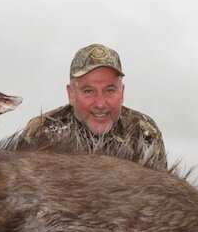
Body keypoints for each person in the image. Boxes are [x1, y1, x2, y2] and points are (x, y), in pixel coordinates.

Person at [13, 43, 167, 170]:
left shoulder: (144, 132)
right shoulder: (41, 132)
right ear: (71, 94)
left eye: (109, 90)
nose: (100, 103)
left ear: (122, 93)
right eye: (89, 91)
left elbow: (161, 197)